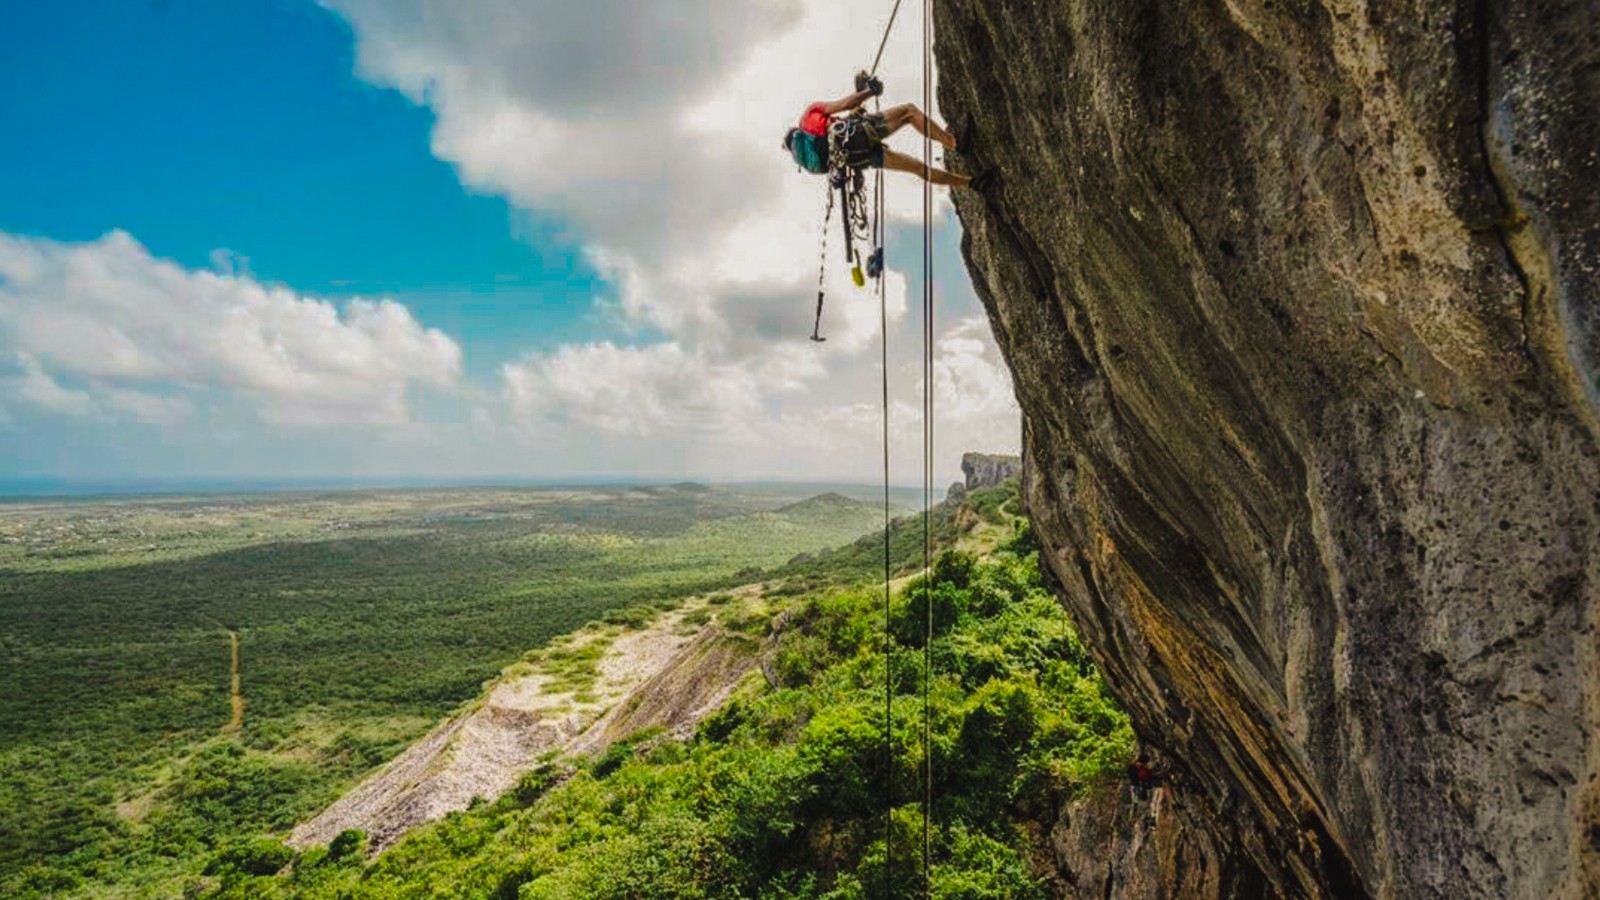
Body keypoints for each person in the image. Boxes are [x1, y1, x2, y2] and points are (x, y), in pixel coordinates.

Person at [783, 72, 972, 188]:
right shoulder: (809, 115)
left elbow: (849, 117)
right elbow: (845, 104)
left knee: (917, 168)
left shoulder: (811, 155)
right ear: (796, 129)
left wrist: (862, 96)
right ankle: (955, 144)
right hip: (858, 136)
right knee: (909, 112)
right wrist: (870, 91)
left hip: (858, 159)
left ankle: (971, 183)